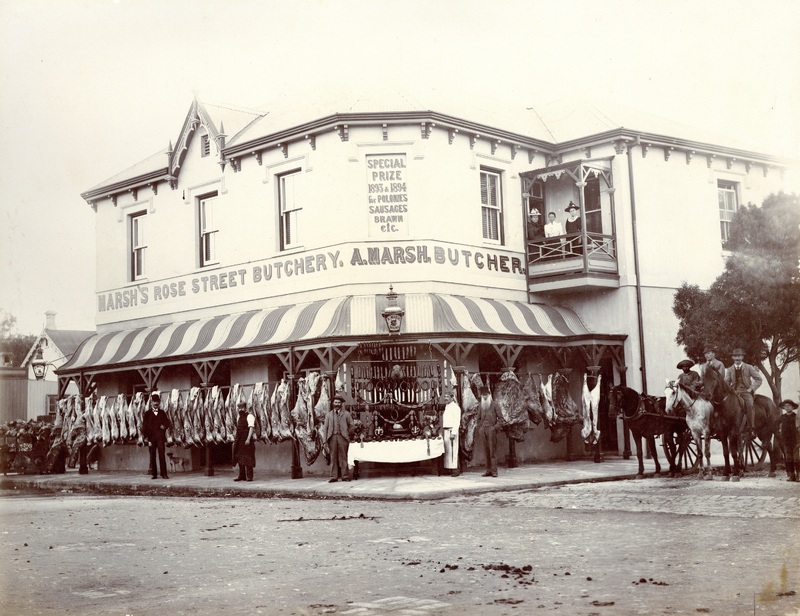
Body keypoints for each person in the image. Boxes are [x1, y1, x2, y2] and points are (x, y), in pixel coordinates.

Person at [724, 348, 762, 437]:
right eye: (735, 356)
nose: (737, 358)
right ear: (732, 357)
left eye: (739, 356)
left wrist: (751, 389)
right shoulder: (730, 369)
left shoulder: (749, 367)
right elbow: (726, 382)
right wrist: (727, 388)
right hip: (734, 392)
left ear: (742, 357)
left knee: (750, 405)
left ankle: (751, 428)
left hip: (745, 391)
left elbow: (759, 379)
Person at [323, 394, 353, 483]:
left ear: (341, 404)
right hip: (332, 437)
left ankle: (345, 476)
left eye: (338, 403)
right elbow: (325, 428)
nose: (337, 404)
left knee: (343, 457)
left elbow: (352, 425)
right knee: (333, 457)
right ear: (333, 403)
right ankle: (334, 476)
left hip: (343, 438)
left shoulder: (346, 414)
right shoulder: (328, 415)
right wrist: (324, 441)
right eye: (335, 402)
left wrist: (348, 433)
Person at [477, 386, 504, 477]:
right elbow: (478, 418)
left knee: (492, 451)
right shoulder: (480, 406)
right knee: (486, 451)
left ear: (489, 395)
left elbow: (501, 419)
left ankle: (494, 471)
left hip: (491, 429)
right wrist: (480, 428)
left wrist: (495, 428)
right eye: (483, 395)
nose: (484, 397)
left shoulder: (495, 405)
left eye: (486, 395)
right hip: (483, 430)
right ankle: (488, 470)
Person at [142, 392, 171, 479]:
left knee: (162, 455)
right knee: (152, 455)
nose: (155, 403)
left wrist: (164, 426)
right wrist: (146, 437)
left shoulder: (162, 413)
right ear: (151, 403)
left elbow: (168, 422)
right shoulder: (147, 413)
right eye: (154, 401)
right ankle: (154, 474)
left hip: (160, 437)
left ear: (159, 402)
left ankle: (164, 474)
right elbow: (144, 426)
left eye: (157, 401)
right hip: (151, 438)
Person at [441, 388, 462, 477]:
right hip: (446, 431)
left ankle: (455, 470)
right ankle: (449, 468)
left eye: (447, 397)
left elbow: (457, 421)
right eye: (445, 397)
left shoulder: (455, 407)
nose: (446, 398)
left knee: (454, 450)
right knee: (448, 451)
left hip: (452, 431)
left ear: (452, 397)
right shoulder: (447, 406)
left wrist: (453, 433)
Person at [233, 400, 256, 482]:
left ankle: (249, 476)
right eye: (239, 408)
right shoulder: (239, 417)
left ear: (245, 408)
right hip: (239, 440)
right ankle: (241, 476)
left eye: (242, 408)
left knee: (248, 458)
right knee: (240, 458)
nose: (240, 410)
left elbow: (251, 428)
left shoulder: (250, 416)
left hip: (247, 440)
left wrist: (248, 439)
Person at [777, 399, 798, 482]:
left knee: (796, 458)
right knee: (788, 458)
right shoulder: (782, 417)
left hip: (795, 440)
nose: (787, 407)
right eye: (785, 406)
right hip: (786, 441)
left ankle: (798, 475)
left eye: (789, 406)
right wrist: (779, 431)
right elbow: (775, 425)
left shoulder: (796, 416)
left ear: (793, 407)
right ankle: (792, 475)